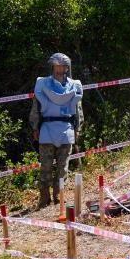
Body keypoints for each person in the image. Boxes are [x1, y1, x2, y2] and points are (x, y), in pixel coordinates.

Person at [30, 53, 83, 208]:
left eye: (63, 66)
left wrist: (78, 128)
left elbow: (78, 109)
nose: (60, 69)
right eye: (57, 66)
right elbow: (36, 108)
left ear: (67, 67)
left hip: (66, 128)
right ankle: (44, 197)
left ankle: (59, 194)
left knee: (63, 167)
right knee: (45, 166)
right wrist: (35, 127)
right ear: (52, 67)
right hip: (47, 128)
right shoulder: (42, 84)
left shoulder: (74, 85)